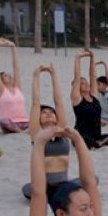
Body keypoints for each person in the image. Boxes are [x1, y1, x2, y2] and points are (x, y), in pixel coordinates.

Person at [21, 64, 79, 200]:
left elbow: (58, 101)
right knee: (27, 189)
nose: (48, 114)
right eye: (44, 113)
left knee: (92, 179)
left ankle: (60, 193)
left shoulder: (62, 130)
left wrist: (53, 75)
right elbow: (36, 102)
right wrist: (36, 76)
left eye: (51, 112)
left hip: (63, 184)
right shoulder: (37, 133)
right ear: (38, 118)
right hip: (44, 186)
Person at [71, 51, 108, 148]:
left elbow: (93, 76)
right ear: (77, 87)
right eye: (82, 83)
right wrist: (77, 59)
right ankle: (99, 143)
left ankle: (100, 142)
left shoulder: (94, 96)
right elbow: (77, 77)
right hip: (81, 136)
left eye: (86, 82)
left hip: (96, 135)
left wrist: (92, 58)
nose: (87, 84)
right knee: (86, 142)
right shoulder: (77, 99)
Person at [0, 37, 30, 133]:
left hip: (25, 122)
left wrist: (13, 47)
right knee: (3, 121)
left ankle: (23, 130)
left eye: (9, 75)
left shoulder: (17, 88)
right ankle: (19, 131)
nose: (9, 76)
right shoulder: (1, 90)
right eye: (5, 76)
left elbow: (16, 67)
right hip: (10, 123)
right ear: (1, 80)